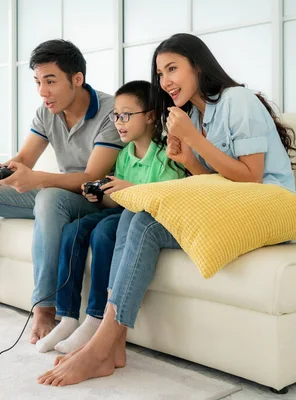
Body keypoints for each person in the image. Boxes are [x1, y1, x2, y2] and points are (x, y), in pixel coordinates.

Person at [37, 32, 296, 386]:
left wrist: (193, 140)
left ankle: (105, 342)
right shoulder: (194, 113)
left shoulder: (236, 100)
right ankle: (113, 344)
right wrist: (189, 160)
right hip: (233, 203)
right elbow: (214, 181)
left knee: (145, 223)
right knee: (135, 212)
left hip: (269, 205)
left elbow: (251, 178)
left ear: (198, 65)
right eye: (160, 74)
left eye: (172, 69)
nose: (165, 82)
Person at [0, 39, 124, 345]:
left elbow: (92, 177)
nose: (42, 92)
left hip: (96, 199)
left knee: (47, 196)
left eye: (50, 81)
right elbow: (25, 160)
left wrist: (36, 179)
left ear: (77, 79)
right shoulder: (47, 112)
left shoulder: (112, 112)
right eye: (37, 82)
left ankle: (45, 308)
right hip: (60, 193)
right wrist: (4, 172)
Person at [34, 80, 186, 354]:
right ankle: (68, 316)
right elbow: (114, 199)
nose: (118, 122)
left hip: (147, 218)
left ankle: (95, 316)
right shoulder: (125, 154)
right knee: (74, 230)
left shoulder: (167, 154)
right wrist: (99, 195)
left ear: (151, 116)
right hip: (121, 211)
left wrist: (130, 191)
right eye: (115, 115)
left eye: (125, 115)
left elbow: (166, 199)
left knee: (103, 232)